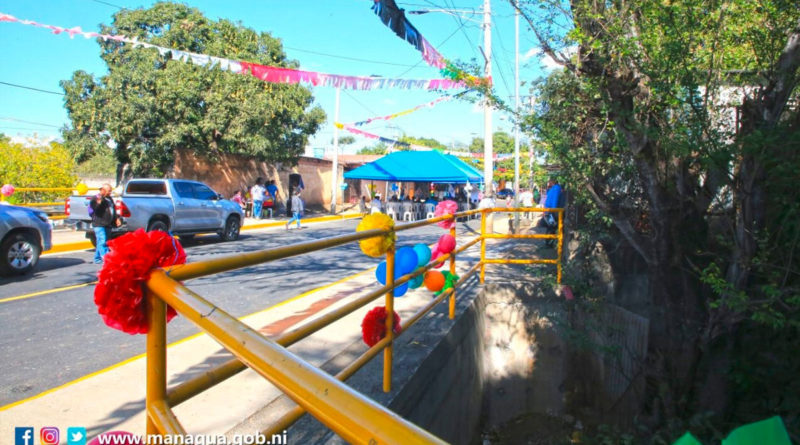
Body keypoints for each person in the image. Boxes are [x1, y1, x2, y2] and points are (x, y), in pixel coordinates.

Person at [90, 183, 116, 264]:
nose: (109, 192)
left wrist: (116, 218)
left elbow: (113, 209)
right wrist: (99, 202)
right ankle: (107, 258)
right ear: (102, 190)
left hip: (108, 223)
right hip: (99, 224)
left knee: (102, 242)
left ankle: (97, 258)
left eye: (110, 191)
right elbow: (95, 209)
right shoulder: (96, 198)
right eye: (108, 191)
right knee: (102, 241)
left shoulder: (109, 199)